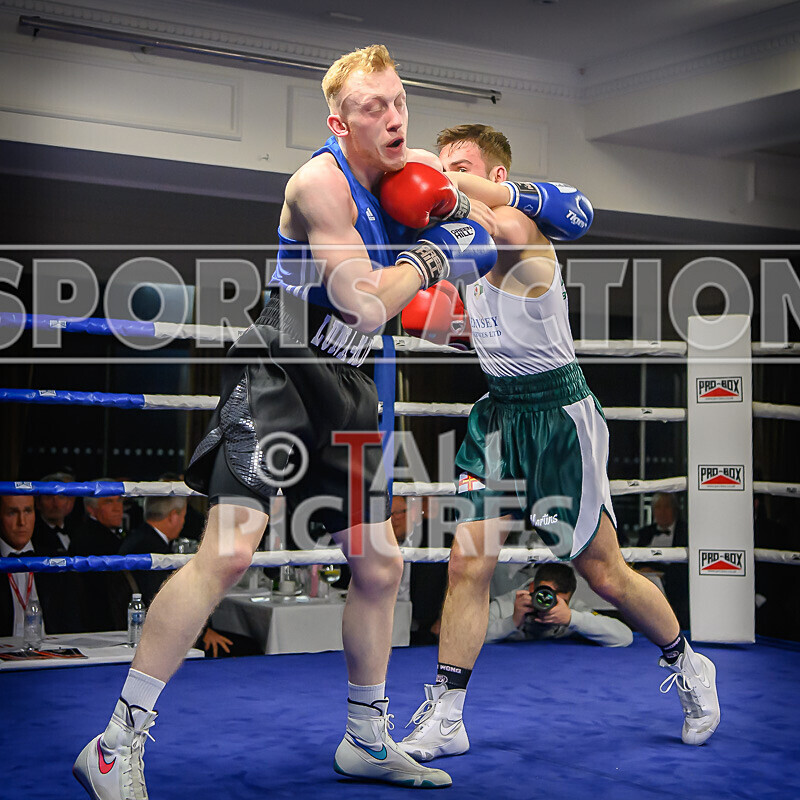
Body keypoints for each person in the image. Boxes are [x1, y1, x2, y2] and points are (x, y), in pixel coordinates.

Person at [74, 45, 500, 798]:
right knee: (230, 552)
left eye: (400, 100)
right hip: (279, 370)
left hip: (350, 384)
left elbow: (485, 226)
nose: (395, 117)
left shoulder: (417, 172)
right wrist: (436, 259)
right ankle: (115, 743)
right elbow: (366, 296)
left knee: (380, 564)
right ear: (340, 121)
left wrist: (509, 235)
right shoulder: (317, 184)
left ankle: (367, 739)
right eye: (375, 107)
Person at [393, 124, 719, 763]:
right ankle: (449, 713)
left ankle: (689, 664)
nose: (448, 174)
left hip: (556, 419)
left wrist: (426, 172)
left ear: (494, 173)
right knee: (468, 563)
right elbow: (467, 330)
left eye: (463, 163)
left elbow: (498, 216)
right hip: (499, 417)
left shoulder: (518, 231)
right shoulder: (466, 253)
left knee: (604, 573)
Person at [485, 562, 633, 646]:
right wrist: (512, 622)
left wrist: (571, 619)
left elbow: (624, 637)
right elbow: (471, 641)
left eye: (559, 601)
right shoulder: (505, 605)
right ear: (531, 588)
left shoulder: (571, 609)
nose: (548, 605)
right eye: (544, 595)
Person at [0, 494, 83, 636]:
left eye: (27, 511)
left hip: (52, 652)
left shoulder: (56, 564)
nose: (22, 522)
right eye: (12, 512)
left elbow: (74, 626)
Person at [71, 484, 126, 632]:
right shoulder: (93, 539)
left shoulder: (104, 535)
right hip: (99, 621)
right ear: (91, 509)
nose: (117, 508)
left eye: (119, 501)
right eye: (108, 502)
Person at [635, 492, 689, 629]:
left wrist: (661, 573)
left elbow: (686, 567)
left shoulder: (686, 531)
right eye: (658, 508)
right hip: (647, 586)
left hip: (676, 588)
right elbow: (636, 561)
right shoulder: (646, 532)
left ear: (675, 510)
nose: (662, 512)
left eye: (666, 507)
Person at [34, 471, 77, 556]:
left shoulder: (77, 529)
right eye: (48, 497)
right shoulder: (32, 534)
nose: (56, 504)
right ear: (38, 503)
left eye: (61, 497)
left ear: (68, 502)